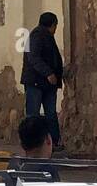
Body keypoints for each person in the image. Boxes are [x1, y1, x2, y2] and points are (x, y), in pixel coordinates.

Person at [20, 12, 64, 152]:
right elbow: (33, 58)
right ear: (52, 25)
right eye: (55, 25)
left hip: (46, 84)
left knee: (50, 114)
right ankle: (31, 145)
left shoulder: (45, 36)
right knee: (33, 115)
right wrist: (49, 73)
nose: (56, 29)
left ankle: (53, 143)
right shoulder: (37, 36)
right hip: (36, 82)